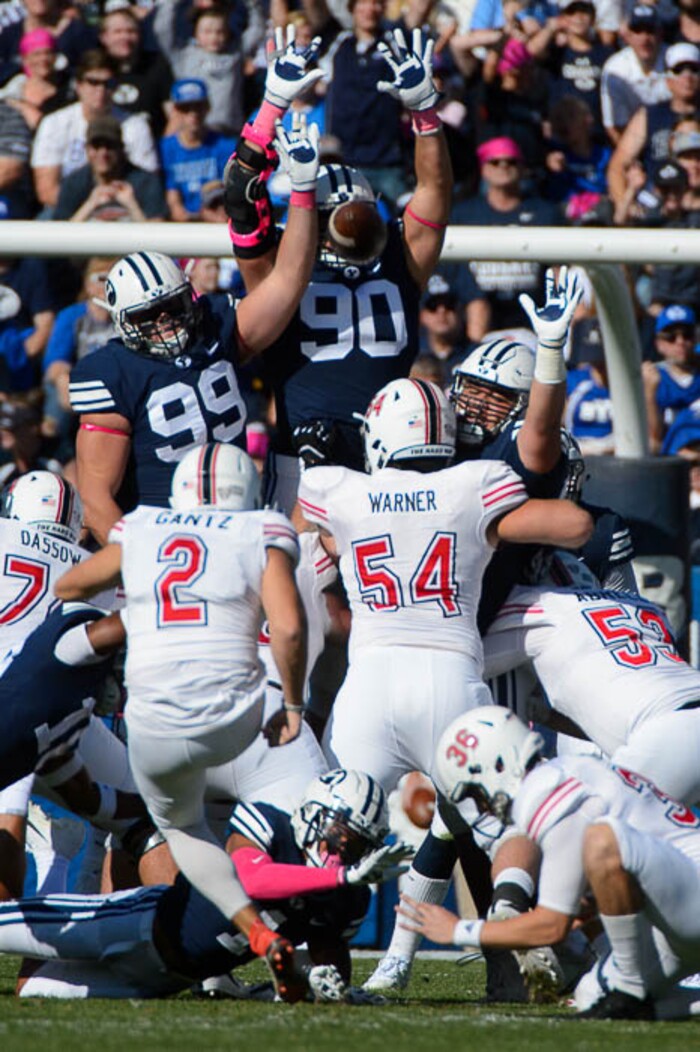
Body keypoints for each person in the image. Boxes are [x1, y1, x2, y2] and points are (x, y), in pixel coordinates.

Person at [55, 442, 310, 1002]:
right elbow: (288, 630)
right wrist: (292, 707)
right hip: (239, 717)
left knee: (181, 827)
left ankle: (248, 931)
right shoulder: (261, 529)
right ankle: (290, 939)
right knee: (290, 813)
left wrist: (138, 607)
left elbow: (70, 586)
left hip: (153, 723)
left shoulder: (143, 525)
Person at [296, 376, 593, 797]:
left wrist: (312, 466)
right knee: (488, 832)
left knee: (337, 826)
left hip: (368, 686)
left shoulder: (343, 491)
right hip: (452, 681)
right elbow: (577, 525)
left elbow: (316, 537)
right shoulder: (471, 485)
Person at [226, 25, 452, 512]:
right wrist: (270, 108)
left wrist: (425, 114)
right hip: (304, 457)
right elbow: (240, 199)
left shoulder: (396, 254)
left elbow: (435, 192)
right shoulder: (281, 266)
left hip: (391, 455)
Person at [68, 111, 320, 544]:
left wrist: (302, 192)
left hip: (239, 524)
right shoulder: (112, 371)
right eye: (149, 316)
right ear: (124, 322)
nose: (164, 321)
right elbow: (96, 499)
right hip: (161, 535)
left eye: (172, 306)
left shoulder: (215, 326)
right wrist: (142, 563)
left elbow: (288, 280)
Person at [0, 769, 409, 1000]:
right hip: (135, 922)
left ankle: (54, 857)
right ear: (316, 815)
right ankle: (55, 853)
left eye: (358, 849)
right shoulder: (272, 826)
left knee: (30, 990)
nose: (344, 854)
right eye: (342, 837)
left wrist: (326, 986)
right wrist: (342, 876)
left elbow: (327, 965)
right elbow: (249, 878)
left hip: (160, 980)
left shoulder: (346, 897)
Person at [400, 706, 700, 1020]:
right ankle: (643, 996)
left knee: (604, 840)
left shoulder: (549, 793)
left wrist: (459, 930)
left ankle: (629, 988)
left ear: (498, 766)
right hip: (675, 913)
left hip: (688, 900)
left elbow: (552, 925)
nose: (483, 807)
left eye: (477, 795)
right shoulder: (568, 771)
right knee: (590, 996)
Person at [482, 564, 700, 805]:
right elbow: (620, 716)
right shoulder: (641, 606)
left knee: (579, 831)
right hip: (677, 721)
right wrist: (546, 715)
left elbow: (464, 657)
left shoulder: (545, 607)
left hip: (669, 734)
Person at [447, 137, 562, 340]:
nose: (503, 166)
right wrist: (473, 299)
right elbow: (453, 267)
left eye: (511, 161)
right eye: (495, 162)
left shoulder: (545, 213)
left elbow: (558, 270)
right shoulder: (463, 214)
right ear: (483, 169)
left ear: (522, 168)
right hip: (478, 320)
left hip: (534, 321)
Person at [31, 48, 159, 212]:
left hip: (123, 208)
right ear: (78, 85)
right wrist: (91, 208)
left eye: (108, 84)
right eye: (93, 82)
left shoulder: (135, 126)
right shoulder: (54, 123)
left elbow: (147, 187)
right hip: (67, 210)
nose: (100, 90)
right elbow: (46, 191)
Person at [53, 114, 167, 222]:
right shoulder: (73, 183)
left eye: (110, 146)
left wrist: (131, 205)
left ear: (121, 149)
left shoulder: (146, 182)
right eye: (96, 146)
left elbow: (155, 236)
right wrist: (90, 204)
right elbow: (59, 237)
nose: (103, 153)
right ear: (86, 149)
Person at [159, 78, 237, 222]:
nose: (193, 114)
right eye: (186, 108)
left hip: (217, 218)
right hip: (184, 224)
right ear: (176, 110)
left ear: (207, 107)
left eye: (198, 107)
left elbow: (231, 190)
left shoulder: (225, 145)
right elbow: (172, 193)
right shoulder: (166, 147)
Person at [99, 5, 173, 139]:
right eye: (118, 32)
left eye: (131, 31)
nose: (125, 37)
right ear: (104, 37)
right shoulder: (96, 69)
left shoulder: (157, 65)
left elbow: (174, 116)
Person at [600, 4, 670, 146]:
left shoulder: (674, 61)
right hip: (632, 142)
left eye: (650, 31)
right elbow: (614, 127)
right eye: (638, 31)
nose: (644, 39)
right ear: (627, 36)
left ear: (660, 34)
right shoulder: (615, 68)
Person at [642, 303, 700, 454]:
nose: (680, 342)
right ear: (658, 344)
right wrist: (649, 394)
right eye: (671, 337)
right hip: (670, 461)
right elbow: (654, 439)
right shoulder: (653, 377)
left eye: (686, 334)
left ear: (695, 338)